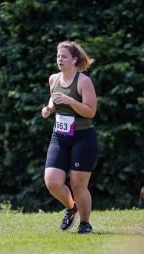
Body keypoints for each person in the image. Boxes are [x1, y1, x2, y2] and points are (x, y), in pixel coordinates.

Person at [41, 41, 98, 234]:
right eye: (58, 56)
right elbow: (54, 99)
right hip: (60, 136)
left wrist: (71, 101)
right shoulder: (53, 79)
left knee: (77, 184)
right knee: (52, 181)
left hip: (83, 138)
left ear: (74, 60)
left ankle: (85, 223)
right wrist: (49, 108)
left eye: (64, 56)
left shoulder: (83, 82)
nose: (59, 59)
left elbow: (91, 112)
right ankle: (71, 207)